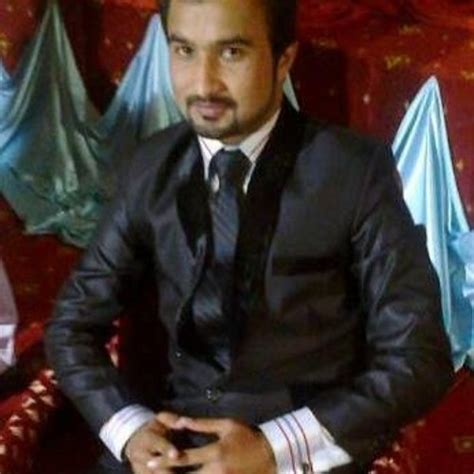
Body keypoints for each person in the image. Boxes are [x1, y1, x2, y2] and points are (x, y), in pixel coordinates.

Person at [45, 0, 454, 473]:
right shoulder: (151, 167)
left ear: (284, 59)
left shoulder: (355, 173)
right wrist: (130, 429)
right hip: (169, 449)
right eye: (184, 50)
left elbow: (418, 358)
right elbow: (71, 325)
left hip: (299, 452)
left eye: (232, 52)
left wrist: (272, 449)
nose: (203, 84)